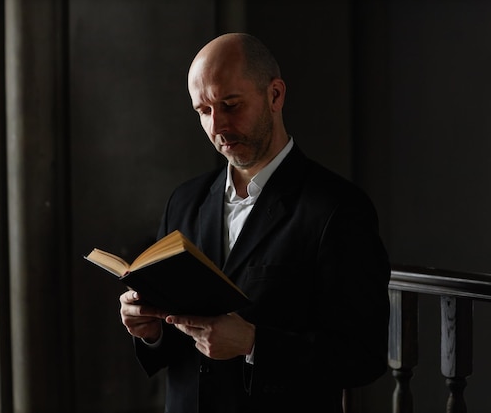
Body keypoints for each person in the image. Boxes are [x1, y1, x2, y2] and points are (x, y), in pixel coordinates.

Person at [118, 32, 391, 413]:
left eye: (230, 105)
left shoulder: (339, 208)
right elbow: (179, 337)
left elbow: (365, 355)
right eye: (204, 111)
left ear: (275, 95)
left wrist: (253, 343)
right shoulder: (184, 201)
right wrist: (150, 332)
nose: (217, 127)